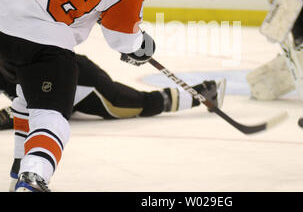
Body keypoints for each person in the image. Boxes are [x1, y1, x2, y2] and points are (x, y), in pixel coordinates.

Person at [0, 0, 151, 192]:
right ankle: (33, 179)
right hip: (45, 44)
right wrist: (140, 46)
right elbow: (121, 39)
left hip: (2, 21)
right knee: (52, 117)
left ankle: (17, 174)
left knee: (24, 100)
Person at [0, 54, 226, 191]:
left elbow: (29, 106)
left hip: (84, 83)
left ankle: (205, 92)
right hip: (63, 80)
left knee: (139, 103)